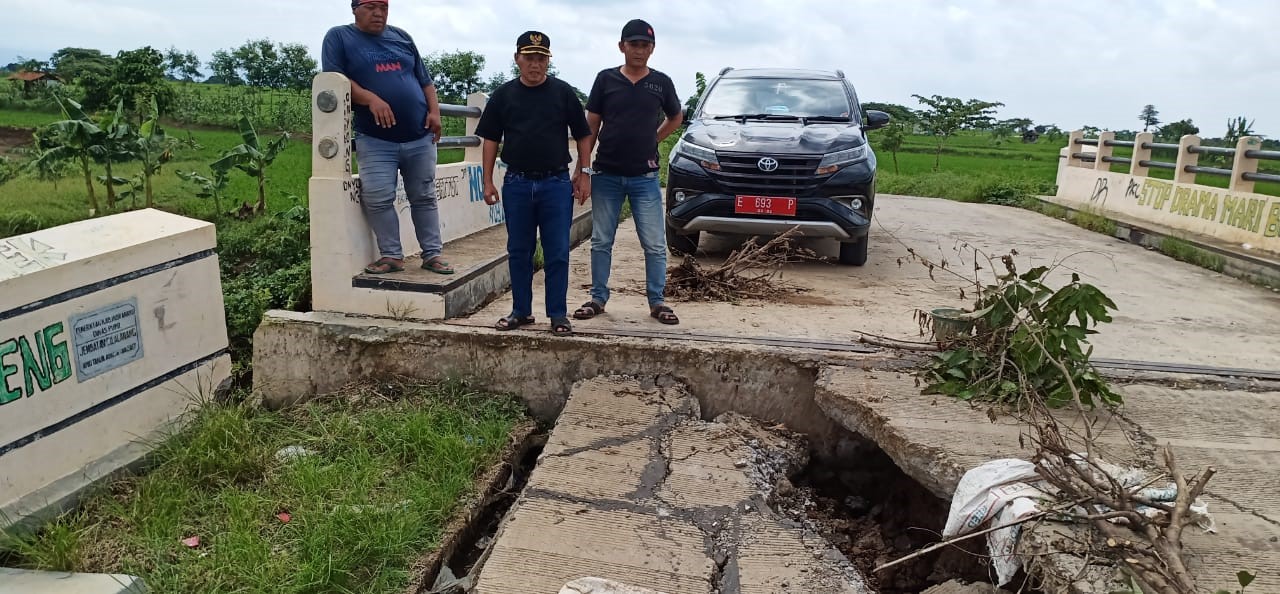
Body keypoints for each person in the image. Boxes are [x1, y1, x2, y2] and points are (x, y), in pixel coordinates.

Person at [321, 0, 454, 275]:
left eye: (384, 7)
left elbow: (425, 81)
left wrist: (435, 112)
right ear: (355, 8)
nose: (379, 13)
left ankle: (433, 254)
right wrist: (370, 98)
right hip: (375, 138)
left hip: (419, 136)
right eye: (371, 6)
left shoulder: (402, 37)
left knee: (424, 196)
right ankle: (391, 255)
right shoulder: (339, 37)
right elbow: (335, 79)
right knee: (379, 197)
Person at [474, 31, 593, 336]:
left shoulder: (563, 93)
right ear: (517, 59)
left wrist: (584, 173)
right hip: (517, 183)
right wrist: (487, 180)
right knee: (518, 250)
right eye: (529, 58)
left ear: (548, 61)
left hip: (555, 184)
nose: (535, 64)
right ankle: (521, 311)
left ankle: (557, 315)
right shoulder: (504, 95)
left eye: (541, 58)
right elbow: (489, 139)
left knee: (557, 252)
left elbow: (583, 135)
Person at [574, 18, 684, 325]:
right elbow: (591, 125)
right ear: (622, 46)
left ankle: (657, 301)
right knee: (601, 240)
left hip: (645, 177)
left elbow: (676, 117)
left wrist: (654, 138)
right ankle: (597, 297)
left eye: (645, 45)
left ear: (652, 49)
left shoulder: (660, 83)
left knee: (654, 242)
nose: (639, 50)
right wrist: (582, 168)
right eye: (633, 44)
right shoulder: (606, 80)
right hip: (606, 173)